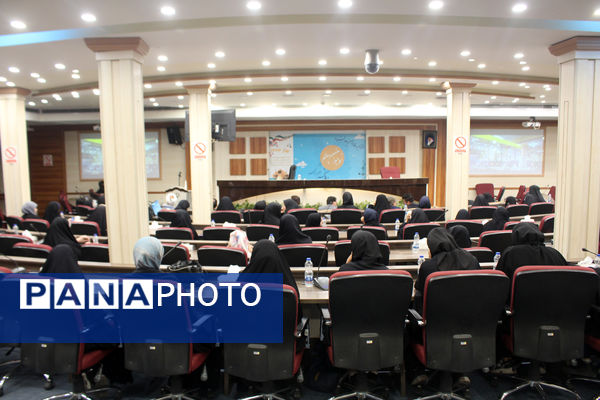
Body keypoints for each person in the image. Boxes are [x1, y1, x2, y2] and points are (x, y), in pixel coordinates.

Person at [414, 228, 480, 313]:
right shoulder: (472, 260)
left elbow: (420, 293)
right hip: (471, 314)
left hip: (438, 316)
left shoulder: (428, 267)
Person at [496, 222, 567, 281]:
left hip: (520, 294)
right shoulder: (555, 253)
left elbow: (500, 279)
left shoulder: (510, 253)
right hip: (553, 293)